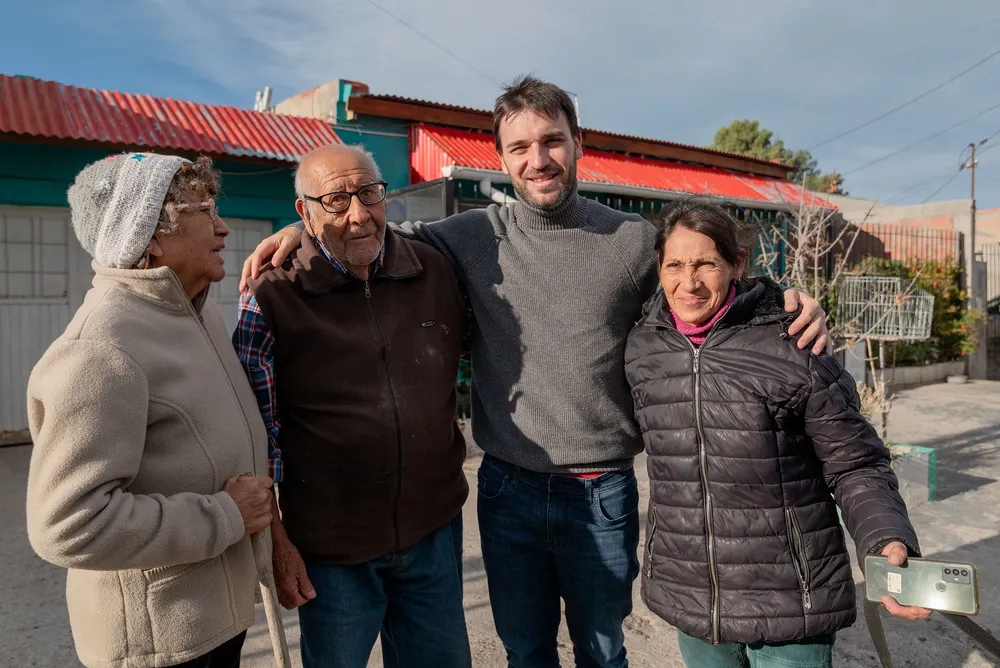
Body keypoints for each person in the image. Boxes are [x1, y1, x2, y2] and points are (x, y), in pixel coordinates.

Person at [240, 77, 831, 668]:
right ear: (502, 159)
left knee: (602, 653)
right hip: (506, 489)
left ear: (579, 143)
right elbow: (366, 232)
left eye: (552, 141)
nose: (538, 160)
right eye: (520, 148)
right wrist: (301, 231)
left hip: (601, 492)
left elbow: (700, 282)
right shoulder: (470, 237)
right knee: (525, 652)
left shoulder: (629, 241)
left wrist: (781, 301)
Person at [624, 197, 930, 668]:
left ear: (736, 264)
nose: (688, 282)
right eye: (674, 265)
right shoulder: (643, 346)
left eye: (706, 263)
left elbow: (856, 461)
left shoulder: (794, 343)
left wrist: (884, 538)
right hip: (693, 598)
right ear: (659, 269)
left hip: (791, 601)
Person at [26, 153, 274, 668]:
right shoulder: (101, 348)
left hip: (209, 621)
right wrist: (225, 515)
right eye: (205, 210)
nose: (224, 227)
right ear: (150, 235)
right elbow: (68, 524)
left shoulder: (193, 312)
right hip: (157, 645)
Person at [235, 144, 471, 668]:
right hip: (331, 547)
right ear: (305, 212)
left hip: (432, 530)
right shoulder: (272, 292)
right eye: (337, 200)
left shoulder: (433, 268)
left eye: (369, 193)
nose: (360, 214)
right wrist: (277, 539)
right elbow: (255, 436)